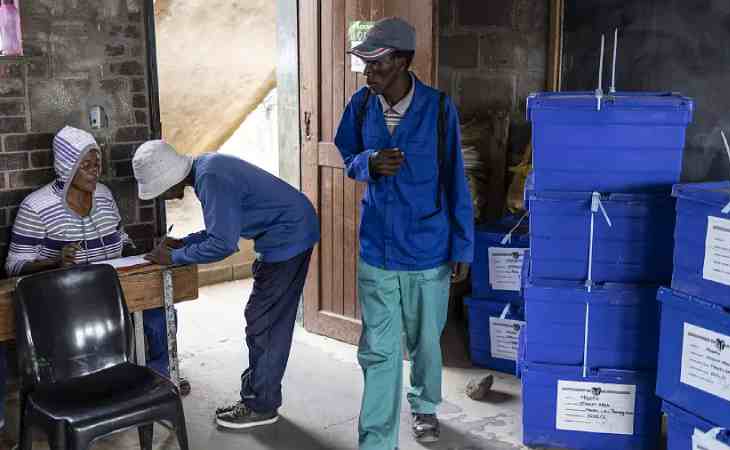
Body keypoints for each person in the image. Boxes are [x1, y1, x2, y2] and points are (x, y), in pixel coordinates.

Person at [334, 17, 474, 449]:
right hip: (377, 250)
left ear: (403, 61)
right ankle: (376, 441)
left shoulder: (437, 109)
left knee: (425, 343)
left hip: (427, 251)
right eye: (365, 63)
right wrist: (368, 162)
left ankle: (426, 405)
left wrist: (461, 246)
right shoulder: (360, 106)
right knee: (377, 350)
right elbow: (347, 154)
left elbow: (455, 181)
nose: (368, 72)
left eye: (377, 63)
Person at [131, 141, 320, 429]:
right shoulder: (207, 167)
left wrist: (176, 256)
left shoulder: (211, 178)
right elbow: (222, 228)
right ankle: (259, 392)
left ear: (170, 180)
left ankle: (261, 404)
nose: (164, 198)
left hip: (289, 236)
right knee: (262, 318)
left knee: (265, 321)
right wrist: (184, 242)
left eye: (160, 191)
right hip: (286, 231)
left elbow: (223, 244)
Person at [4, 126, 180, 389]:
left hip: (112, 291)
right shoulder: (36, 207)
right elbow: (13, 266)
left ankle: (160, 378)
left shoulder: (104, 196)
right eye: (85, 165)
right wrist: (55, 263)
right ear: (66, 166)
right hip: (67, 302)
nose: (95, 171)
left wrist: (144, 255)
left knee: (160, 310)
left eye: (97, 163)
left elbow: (121, 239)